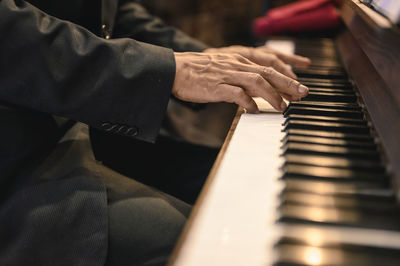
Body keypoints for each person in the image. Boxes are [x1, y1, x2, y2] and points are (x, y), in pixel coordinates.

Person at [0, 0, 310, 265]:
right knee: (215, 242)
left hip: (69, 127)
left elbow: (101, 11)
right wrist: (162, 70)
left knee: (252, 185)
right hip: (18, 156)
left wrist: (205, 58)